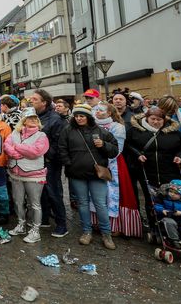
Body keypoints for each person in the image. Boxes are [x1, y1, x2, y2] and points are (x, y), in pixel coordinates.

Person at [59, 103, 119, 250]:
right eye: (77, 116)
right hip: (76, 173)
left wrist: (103, 145)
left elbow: (114, 150)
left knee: (100, 204)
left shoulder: (101, 131)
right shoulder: (68, 130)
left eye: (82, 116)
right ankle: (87, 232)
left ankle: (106, 234)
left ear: (88, 117)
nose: (79, 118)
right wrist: (69, 163)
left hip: (96, 174)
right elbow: (62, 148)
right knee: (83, 203)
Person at [125, 106, 181, 228]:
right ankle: (154, 226)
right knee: (151, 200)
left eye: (159, 120)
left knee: (172, 199)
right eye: (153, 119)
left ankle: (176, 227)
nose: (156, 122)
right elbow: (127, 146)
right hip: (147, 172)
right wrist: (137, 154)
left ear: (164, 120)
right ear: (147, 118)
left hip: (170, 172)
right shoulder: (135, 131)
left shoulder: (174, 132)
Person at [92, 103, 142, 238]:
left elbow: (117, 149)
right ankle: (98, 221)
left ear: (109, 113)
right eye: (96, 110)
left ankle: (116, 225)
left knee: (113, 194)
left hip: (113, 164)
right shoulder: (92, 126)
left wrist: (104, 163)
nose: (98, 112)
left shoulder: (118, 127)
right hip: (95, 163)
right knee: (96, 193)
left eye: (101, 110)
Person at [4, 107, 49, 243]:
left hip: (34, 174)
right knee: (18, 202)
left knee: (34, 204)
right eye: (30, 118)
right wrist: (15, 152)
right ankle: (21, 225)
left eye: (35, 118)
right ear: (23, 120)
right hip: (15, 173)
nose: (34, 120)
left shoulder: (42, 136)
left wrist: (17, 147)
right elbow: (6, 146)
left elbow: (36, 151)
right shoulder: (15, 133)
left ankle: (36, 230)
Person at [30, 89, 68, 237]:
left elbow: (59, 142)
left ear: (44, 102)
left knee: (53, 192)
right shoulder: (35, 117)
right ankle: (44, 218)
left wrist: (47, 156)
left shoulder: (55, 119)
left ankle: (61, 224)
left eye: (34, 99)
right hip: (36, 161)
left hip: (50, 161)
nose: (31, 101)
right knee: (41, 192)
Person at [153, 179, 181, 249]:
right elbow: (156, 205)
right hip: (167, 218)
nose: (172, 194)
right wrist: (162, 210)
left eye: (176, 193)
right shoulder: (163, 198)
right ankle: (175, 241)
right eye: (170, 191)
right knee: (170, 222)